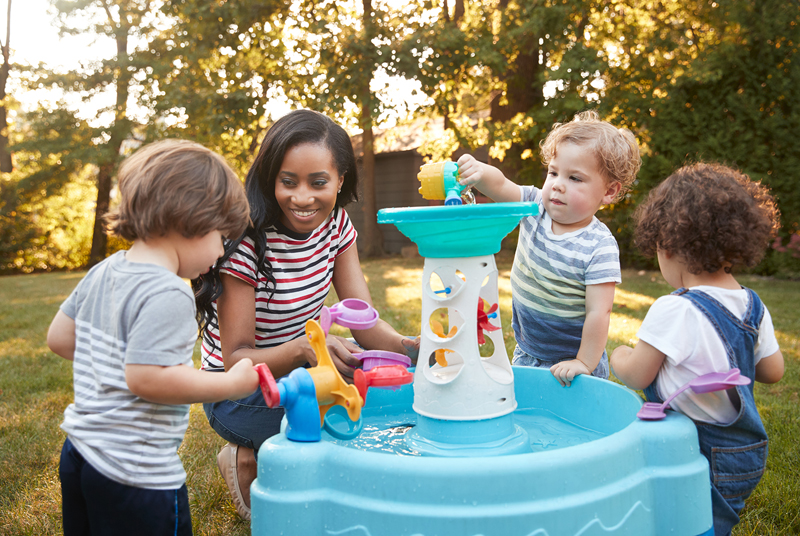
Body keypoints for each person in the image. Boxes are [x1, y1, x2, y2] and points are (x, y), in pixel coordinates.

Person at [194, 109, 420, 520]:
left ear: (340, 181)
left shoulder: (336, 226)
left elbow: (363, 323)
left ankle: (273, 450)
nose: (302, 197)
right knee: (334, 415)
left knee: (379, 396)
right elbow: (236, 359)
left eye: (318, 182)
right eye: (288, 182)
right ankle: (245, 456)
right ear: (270, 179)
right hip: (238, 390)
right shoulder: (247, 242)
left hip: (305, 370)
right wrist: (304, 350)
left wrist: (412, 348)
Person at [46, 139, 261, 536]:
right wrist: (230, 383)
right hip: (136, 472)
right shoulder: (169, 291)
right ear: (190, 222)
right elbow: (148, 378)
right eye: (220, 237)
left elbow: (60, 337)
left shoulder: (107, 269)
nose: (220, 253)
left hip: (81, 453)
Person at [609, 163, 784, 536]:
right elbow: (773, 372)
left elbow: (639, 373)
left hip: (697, 450)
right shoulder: (752, 304)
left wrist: (619, 354)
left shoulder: (675, 308)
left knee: (687, 522)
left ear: (669, 246)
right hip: (745, 455)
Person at [457, 110, 641, 387]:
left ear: (609, 192)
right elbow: (501, 186)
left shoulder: (598, 245)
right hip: (528, 350)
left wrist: (584, 362)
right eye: (553, 172)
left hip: (574, 362)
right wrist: (480, 173)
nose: (557, 185)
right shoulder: (535, 207)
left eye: (574, 178)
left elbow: (598, 313)